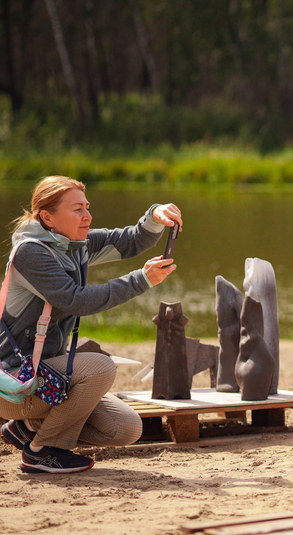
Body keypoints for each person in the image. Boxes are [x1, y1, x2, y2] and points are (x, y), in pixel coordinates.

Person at [0, 176, 182, 473]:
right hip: (14, 382)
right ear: (47, 217)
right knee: (100, 367)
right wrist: (142, 279)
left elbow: (131, 240)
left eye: (87, 207)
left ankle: (28, 428)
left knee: (124, 428)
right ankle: (42, 451)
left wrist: (155, 215)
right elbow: (76, 300)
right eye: (77, 210)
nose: (88, 216)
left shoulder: (75, 243)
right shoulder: (31, 252)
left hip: (47, 380)